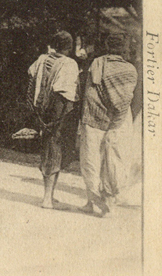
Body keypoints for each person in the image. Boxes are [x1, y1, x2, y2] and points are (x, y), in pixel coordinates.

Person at [78, 32, 138, 216]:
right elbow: (126, 99)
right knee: (113, 160)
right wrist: (117, 116)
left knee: (92, 158)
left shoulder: (96, 64)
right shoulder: (130, 70)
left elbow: (89, 92)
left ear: (106, 45)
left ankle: (91, 200)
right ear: (124, 49)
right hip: (118, 120)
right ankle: (109, 205)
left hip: (94, 116)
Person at [27, 31, 80, 209]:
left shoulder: (42, 59)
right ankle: (47, 199)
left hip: (41, 111)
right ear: (69, 47)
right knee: (54, 151)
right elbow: (64, 95)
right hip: (58, 114)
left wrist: (37, 114)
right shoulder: (69, 64)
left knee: (49, 151)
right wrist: (58, 120)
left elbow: (31, 83)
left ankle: (50, 194)